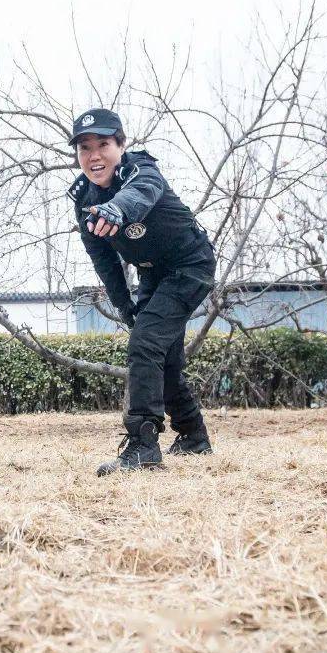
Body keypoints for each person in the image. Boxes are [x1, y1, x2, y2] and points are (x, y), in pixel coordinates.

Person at [68, 108, 217, 476]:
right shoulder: (83, 197)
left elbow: (142, 192)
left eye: (103, 144)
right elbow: (102, 258)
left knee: (145, 345)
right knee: (159, 353)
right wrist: (124, 305)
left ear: (121, 145)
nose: (94, 155)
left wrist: (116, 209)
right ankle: (193, 435)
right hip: (154, 275)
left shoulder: (140, 170)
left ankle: (143, 444)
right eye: (85, 148)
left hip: (190, 266)